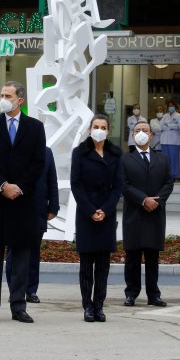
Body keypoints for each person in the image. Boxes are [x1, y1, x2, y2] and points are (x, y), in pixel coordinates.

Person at [0, 81, 46, 324]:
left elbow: (38, 163)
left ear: (20, 100)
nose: (3, 98)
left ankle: (19, 306)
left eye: (8, 95)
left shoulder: (36, 128)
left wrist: (20, 187)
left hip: (23, 200)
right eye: (2, 94)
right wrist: (3, 185)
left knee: (21, 257)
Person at [70, 115, 122, 322]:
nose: (99, 130)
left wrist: (105, 210)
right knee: (86, 264)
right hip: (86, 212)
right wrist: (91, 210)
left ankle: (99, 305)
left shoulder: (116, 154)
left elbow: (118, 186)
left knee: (103, 265)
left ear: (108, 130)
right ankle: (87, 306)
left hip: (106, 214)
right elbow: (76, 184)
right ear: (90, 129)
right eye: (96, 126)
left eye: (103, 127)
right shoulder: (79, 153)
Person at [122, 121, 174, 307]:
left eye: (145, 130)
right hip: (134, 213)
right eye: (137, 131)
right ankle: (131, 293)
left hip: (155, 213)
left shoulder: (163, 158)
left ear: (151, 135)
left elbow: (169, 182)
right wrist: (143, 199)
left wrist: (156, 201)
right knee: (132, 258)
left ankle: (154, 294)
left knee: (153, 257)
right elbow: (124, 184)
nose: (141, 133)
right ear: (133, 135)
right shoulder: (125, 159)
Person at [5, 145, 60, 303]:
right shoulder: (14, 149)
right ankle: (14, 291)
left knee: (34, 252)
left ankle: (31, 290)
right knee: (13, 252)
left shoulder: (47, 152)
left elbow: (52, 180)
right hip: (15, 208)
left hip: (38, 210)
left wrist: (53, 207)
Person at [160, 101, 180, 179]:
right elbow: (161, 126)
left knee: (174, 159)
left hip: (174, 141)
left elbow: (178, 126)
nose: (170, 107)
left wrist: (167, 125)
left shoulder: (179, 116)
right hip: (164, 141)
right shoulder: (165, 116)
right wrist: (171, 126)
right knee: (165, 160)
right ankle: (166, 176)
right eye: (169, 106)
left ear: (175, 107)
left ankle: (174, 175)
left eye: (172, 106)